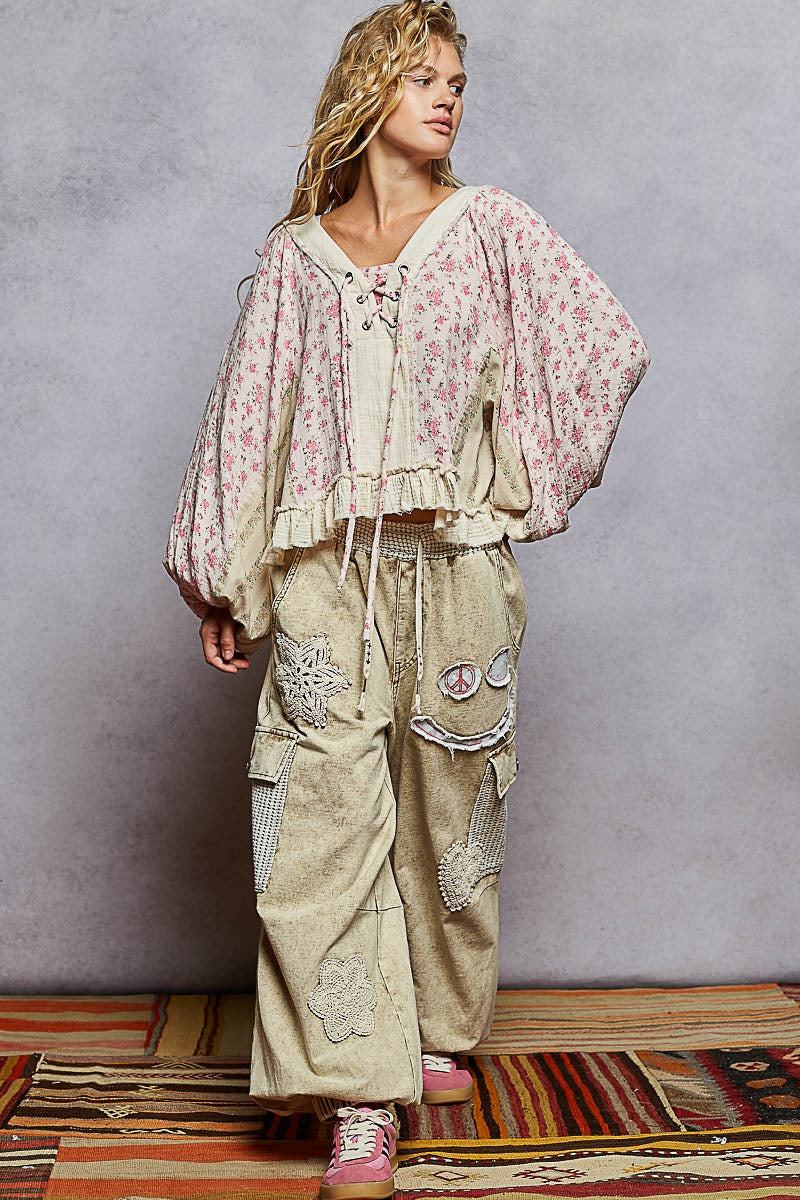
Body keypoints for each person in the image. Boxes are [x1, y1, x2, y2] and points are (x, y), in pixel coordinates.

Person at [162, 1, 651, 1194]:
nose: (446, 98)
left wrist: (510, 483)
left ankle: (431, 1030)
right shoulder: (296, 257)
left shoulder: (491, 230)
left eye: (456, 82)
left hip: (458, 572)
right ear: (367, 90)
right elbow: (248, 420)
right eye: (423, 77)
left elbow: (604, 344)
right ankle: (358, 1096)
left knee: (451, 816)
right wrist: (226, 578)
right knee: (316, 826)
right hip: (324, 579)